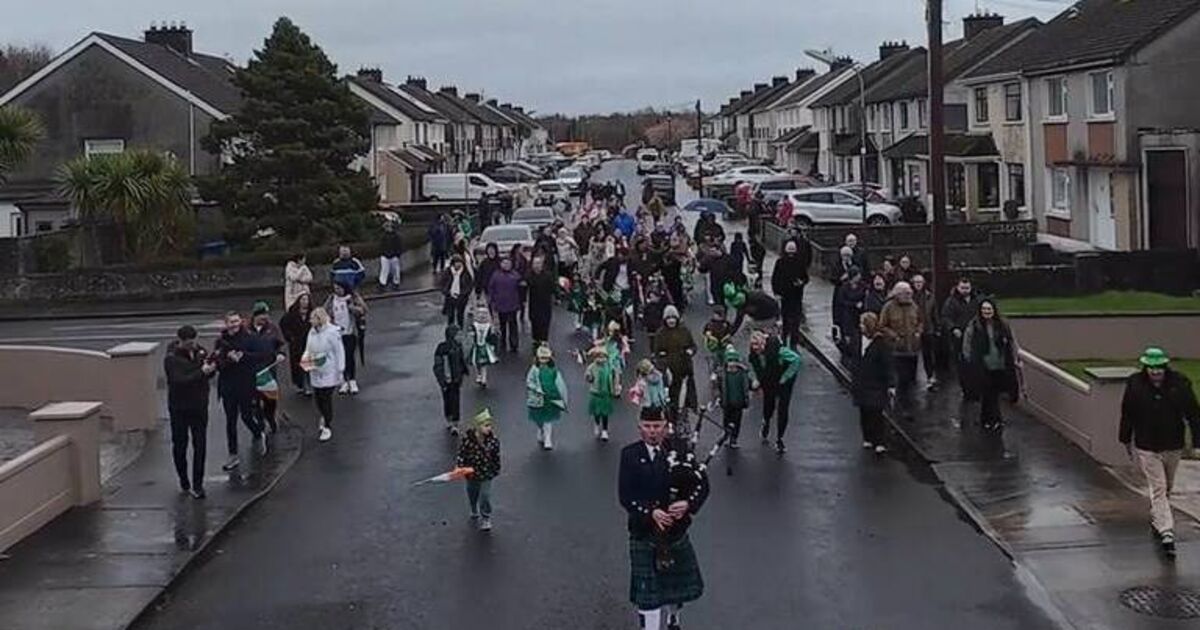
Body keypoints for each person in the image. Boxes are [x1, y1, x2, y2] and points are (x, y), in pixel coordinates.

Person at [618, 408, 710, 630]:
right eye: (647, 426)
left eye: (657, 426)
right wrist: (650, 512)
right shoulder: (629, 454)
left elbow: (702, 484)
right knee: (648, 595)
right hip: (644, 531)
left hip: (674, 531)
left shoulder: (680, 450)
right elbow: (626, 495)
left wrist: (688, 503)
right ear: (639, 427)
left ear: (665, 426)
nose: (652, 432)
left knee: (673, 588)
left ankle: (673, 617)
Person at [1119, 347, 1200, 558]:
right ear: (1145, 367)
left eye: (1159, 368)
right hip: (1147, 446)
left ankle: (1157, 517)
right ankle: (1167, 531)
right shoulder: (1135, 385)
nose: (1155, 372)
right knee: (1159, 487)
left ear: (1165, 367)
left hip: (1173, 444)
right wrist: (1125, 438)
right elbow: (1127, 412)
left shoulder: (1179, 384)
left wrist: (1197, 442)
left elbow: (1193, 413)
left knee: (1167, 487)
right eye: (1151, 368)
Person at [164, 325, 215, 498]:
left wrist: (210, 370)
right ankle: (184, 479)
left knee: (200, 444)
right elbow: (179, 381)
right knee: (180, 445)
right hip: (179, 408)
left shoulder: (201, 351)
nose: (192, 345)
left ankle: (198, 484)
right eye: (188, 342)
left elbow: (207, 373)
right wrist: (201, 372)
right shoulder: (171, 359)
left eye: (193, 341)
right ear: (180, 341)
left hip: (199, 406)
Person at [213, 311, 266, 471]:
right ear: (226, 324)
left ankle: (258, 432)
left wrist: (243, 356)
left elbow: (260, 356)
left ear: (241, 322)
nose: (234, 324)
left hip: (245, 384)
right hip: (228, 385)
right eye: (231, 322)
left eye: (236, 321)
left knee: (246, 416)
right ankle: (233, 454)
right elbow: (217, 363)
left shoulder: (250, 338)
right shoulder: (221, 341)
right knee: (230, 420)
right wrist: (228, 360)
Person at [960, 300, 1020, 431]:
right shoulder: (974, 325)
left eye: (989, 309)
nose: (987, 312)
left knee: (994, 393)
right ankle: (992, 419)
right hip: (983, 365)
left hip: (999, 364)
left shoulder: (1002, 324)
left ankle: (990, 419)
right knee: (988, 393)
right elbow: (967, 343)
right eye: (984, 309)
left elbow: (1011, 342)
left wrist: (1015, 358)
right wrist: (969, 360)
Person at [749, 329, 803, 454]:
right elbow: (755, 367)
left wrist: (785, 377)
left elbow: (796, 360)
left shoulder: (778, 350)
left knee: (783, 409)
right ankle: (766, 421)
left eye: (757, 345)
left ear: (763, 343)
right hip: (769, 380)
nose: (755, 348)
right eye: (753, 346)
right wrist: (757, 380)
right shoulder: (754, 355)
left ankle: (780, 439)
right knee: (769, 406)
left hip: (783, 381)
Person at [878, 282, 922, 418]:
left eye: (910, 293)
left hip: (913, 350)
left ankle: (908, 404)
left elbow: (920, 321)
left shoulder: (914, 306)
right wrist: (894, 336)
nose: (909, 295)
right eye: (906, 293)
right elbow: (882, 326)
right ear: (898, 294)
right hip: (897, 350)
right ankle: (901, 407)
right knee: (901, 380)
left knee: (910, 379)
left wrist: (918, 332)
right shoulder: (889, 307)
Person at [853, 312, 894, 454]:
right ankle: (868, 438)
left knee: (876, 412)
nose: (860, 326)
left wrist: (891, 384)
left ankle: (880, 441)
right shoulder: (858, 339)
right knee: (864, 411)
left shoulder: (881, 343)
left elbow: (887, 365)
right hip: (862, 382)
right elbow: (853, 355)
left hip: (876, 383)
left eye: (862, 324)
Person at [303, 307, 346, 442]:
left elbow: (339, 351)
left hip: (329, 370)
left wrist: (340, 369)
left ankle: (327, 426)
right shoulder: (312, 332)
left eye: (313, 319)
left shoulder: (332, 333)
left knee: (326, 398)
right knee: (318, 399)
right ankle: (323, 416)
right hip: (315, 369)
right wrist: (305, 362)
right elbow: (308, 348)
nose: (310, 322)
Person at [457, 409, 502, 532]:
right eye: (486, 425)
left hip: (487, 472)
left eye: (490, 425)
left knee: (485, 496)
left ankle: (486, 517)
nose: (489, 428)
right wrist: (460, 466)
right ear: (478, 427)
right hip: (471, 473)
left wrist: (496, 469)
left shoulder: (493, 441)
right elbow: (462, 453)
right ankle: (473, 507)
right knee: (472, 492)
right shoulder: (468, 440)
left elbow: (496, 456)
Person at [248, 301, 287, 436]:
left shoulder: (272, 328)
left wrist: (281, 353)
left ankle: (270, 417)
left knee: (270, 398)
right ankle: (260, 424)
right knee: (254, 400)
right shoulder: (247, 330)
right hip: (252, 370)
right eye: (262, 316)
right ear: (255, 316)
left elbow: (280, 343)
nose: (265, 319)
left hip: (269, 369)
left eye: (266, 315)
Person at [653, 305, 697, 417]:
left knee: (684, 396)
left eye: (673, 318)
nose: (671, 321)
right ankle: (671, 418)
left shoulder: (684, 331)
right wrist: (663, 362)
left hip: (684, 369)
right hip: (668, 372)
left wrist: (690, 351)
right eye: (668, 318)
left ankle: (683, 415)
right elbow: (656, 352)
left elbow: (693, 346)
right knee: (670, 397)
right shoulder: (660, 333)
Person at [326, 282, 367, 395]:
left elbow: (363, 310)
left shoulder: (352, 298)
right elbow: (325, 312)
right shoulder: (331, 299)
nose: (337, 291)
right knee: (339, 358)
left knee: (349, 356)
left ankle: (352, 380)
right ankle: (343, 381)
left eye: (339, 288)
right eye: (335, 289)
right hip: (337, 334)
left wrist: (352, 308)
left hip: (350, 332)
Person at [941, 276, 980, 393]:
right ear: (958, 287)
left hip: (975, 334)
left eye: (967, 288)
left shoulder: (976, 299)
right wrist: (953, 328)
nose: (965, 290)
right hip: (959, 336)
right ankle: (966, 388)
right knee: (962, 362)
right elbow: (945, 318)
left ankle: (976, 385)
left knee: (976, 360)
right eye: (962, 288)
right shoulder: (951, 301)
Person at [526, 345, 568, 450]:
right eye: (541, 358)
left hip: (550, 397)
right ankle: (541, 429)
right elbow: (529, 381)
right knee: (538, 418)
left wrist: (561, 396)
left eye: (546, 358)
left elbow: (559, 383)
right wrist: (536, 389)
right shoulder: (534, 369)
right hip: (538, 398)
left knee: (548, 419)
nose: (543, 361)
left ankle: (548, 438)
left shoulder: (553, 370)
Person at [771, 239, 809, 348]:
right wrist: (776, 293)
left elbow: (806, 277)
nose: (791, 253)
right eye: (790, 250)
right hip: (785, 296)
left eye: (793, 250)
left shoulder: (800, 262)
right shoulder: (781, 262)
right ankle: (784, 340)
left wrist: (801, 282)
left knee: (795, 320)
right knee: (786, 320)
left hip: (796, 295)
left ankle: (793, 343)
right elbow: (775, 279)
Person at [434, 324, 469, 435]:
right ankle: (450, 419)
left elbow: (461, 360)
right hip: (447, 380)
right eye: (458, 334)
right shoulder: (443, 348)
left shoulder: (458, 346)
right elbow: (438, 366)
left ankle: (454, 422)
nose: (460, 337)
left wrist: (464, 371)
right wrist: (442, 380)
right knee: (448, 400)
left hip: (456, 380)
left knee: (455, 400)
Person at [718, 346, 755, 449]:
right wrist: (719, 398)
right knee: (726, 420)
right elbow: (720, 388)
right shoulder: (723, 375)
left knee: (737, 421)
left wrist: (754, 385)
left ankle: (734, 438)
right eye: (730, 360)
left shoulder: (742, 374)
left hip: (739, 402)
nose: (732, 363)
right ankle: (726, 435)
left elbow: (749, 385)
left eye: (734, 361)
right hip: (727, 402)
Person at [279, 293, 314, 395]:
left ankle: (308, 385)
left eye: (306, 300)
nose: (304, 302)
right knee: (297, 365)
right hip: (296, 343)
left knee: (308, 365)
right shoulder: (292, 313)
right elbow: (283, 324)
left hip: (309, 343)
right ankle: (300, 385)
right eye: (302, 300)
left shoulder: (312, 313)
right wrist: (289, 337)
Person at [487, 256, 523, 353]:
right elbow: (491, 289)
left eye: (508, 263)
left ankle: (514, 344)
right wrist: (491, 301)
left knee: (513, 325)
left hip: (512, 304)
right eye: (504, 263)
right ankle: (502, 342)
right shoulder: (496, 275)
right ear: (501, 264)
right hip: (500, 304)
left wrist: (520, 302)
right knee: (502, 326)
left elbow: (521, 289)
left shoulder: (515, 275)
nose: (506, 265)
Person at [585, 345, 621, 442]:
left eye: (603, 357)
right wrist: (589, 377)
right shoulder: (592, 367)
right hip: (596, 393)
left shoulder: (609, 367)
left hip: (606, 393)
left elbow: (615, 376)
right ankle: (597, 424)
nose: (601, 359)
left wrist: (615, 387)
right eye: (599, 357)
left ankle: (605, 430)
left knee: (605, 413)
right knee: (597, 412)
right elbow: (588, 377)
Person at [911, 274, 939, 390]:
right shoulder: (910, 297)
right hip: (914, 330)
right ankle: (912, 378)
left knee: (928, 354)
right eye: (916, 282)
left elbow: (934, 313)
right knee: (913, 355)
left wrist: (937, 327)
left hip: (928, 329)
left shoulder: (929, 296)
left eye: (920, 282)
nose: (918, 284)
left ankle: (930, 376)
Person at [832, 267, 866, 359]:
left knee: (857, 337)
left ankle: (857, 355)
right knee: (848, 336)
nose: (859, 277)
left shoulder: (863, 286)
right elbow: (841, 301)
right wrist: (854, 304)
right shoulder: (844, 287)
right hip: (847, 315)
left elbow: (864, 296)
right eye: (857, 275)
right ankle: (847, 354)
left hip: (858, 315)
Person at [526, 255, 558, 346]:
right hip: (534, 302)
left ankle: (544, 340)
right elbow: (524, 286)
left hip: (545, 303)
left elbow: (553, 287)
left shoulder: (547, 275)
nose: (536, 265)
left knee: (545, 321)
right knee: (534, 321)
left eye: (538, 263)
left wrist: (557, 296)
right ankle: (535, 339)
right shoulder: (529, 275)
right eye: (535, 263)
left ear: (542, 265)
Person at [440, 255, 474, 329]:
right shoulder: (448, 272)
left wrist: (464, 293)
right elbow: (442, 284)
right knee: (450, 315)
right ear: (453, 263)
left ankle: (460, 329)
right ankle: (450, 331)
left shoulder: (465, 272)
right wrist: (447, 292)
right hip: (450, 297)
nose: (458, 264)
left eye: (460, 262)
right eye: (456, 262)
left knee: (460, 315)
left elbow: (469, 285)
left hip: (461, 297)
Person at [469, 307, 499, 388]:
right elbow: (471, 335)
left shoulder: (489, 326)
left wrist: (492, 345)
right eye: (479, 314)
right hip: (477, 347)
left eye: (484, 314)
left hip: (485, 347)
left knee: (484, 364)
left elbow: (491, 337)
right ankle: (479, 375)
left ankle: (484, 379)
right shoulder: (474, 325)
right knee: (476, 362)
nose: (482, 316)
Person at [379, 222, 404, 291]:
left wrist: (397, 254)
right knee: (384, 270)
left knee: (395, 270)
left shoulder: (397, 236)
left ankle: (396, 283)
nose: (388, 229)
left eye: (389, 227)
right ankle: (382, 284)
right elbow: (381, 246)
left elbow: (399, 246)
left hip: (394, 256)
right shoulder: (383, 236)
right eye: (387, 227)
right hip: (385, 256)